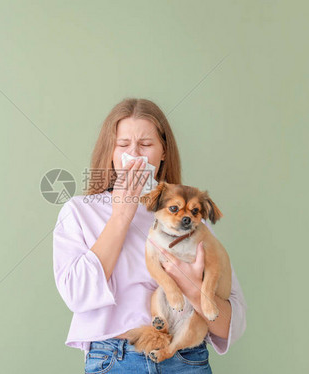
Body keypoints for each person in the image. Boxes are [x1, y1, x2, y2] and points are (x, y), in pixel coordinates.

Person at [52, 98, 247, 373]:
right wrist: (121, 216)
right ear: (110, 151)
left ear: (163, 152)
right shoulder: (79, 212)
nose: (134, 155)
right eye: (123, 145)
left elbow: (230, 324)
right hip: (115, 360)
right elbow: (77, 295)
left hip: (186, 359)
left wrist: (190, 287)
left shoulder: (187, 219)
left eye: (145, 145)